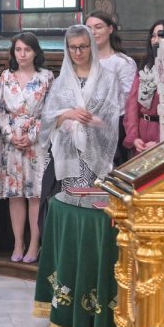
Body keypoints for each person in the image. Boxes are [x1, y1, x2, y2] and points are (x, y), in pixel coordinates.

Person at [0, 32, 53, 264]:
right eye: (18, 49)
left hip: (36, 142)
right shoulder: (6, 76)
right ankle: (18, 242)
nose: (23, 54)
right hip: (11, 142)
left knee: (35, 194)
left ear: (35, 52)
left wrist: (33, 135)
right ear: (13, 52)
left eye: (27, 49)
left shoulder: (46, 76)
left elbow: (50, 112)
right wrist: (9, 134)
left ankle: (34, 242)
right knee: (15, 195)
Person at [40, 24, 123, 200]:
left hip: (96, 153)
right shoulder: (61, 82)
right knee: (67, 202)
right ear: (67, 48)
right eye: (73, 47)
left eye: (83, 47)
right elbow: (47, 119)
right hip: (67, 154)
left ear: (91, 46)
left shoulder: (108, 79)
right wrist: (67, 115)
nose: (78, 52)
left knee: (91, 204)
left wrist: (94, 121)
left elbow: (114, 118)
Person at [125, 18, 164, 156]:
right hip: (141, 134)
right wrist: (134, 137)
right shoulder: (146, 66)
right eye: (153, 36)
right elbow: (132, 105)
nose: (155, 40)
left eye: (161, 35)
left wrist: (161, 140)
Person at [86, 12, 136, 103]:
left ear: (110, 29)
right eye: (88, 29)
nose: (93, 32)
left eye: (98, 27)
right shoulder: (82, 60)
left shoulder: (123, 62)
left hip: (115, 115)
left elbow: (129, 98)